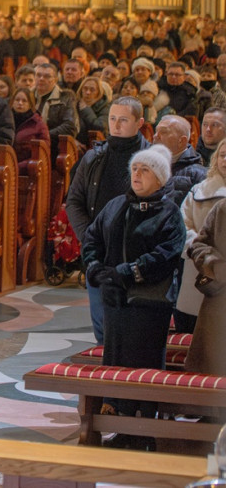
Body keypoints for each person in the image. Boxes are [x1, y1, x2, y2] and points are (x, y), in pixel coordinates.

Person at [82, 144, 185, 451]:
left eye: (145, 170)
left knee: (144, 364)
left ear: (161, 179)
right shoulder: (115, 206)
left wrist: (128, 272)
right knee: (116, 361)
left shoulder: (169, 212)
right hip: (115, 300)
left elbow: (167, 254)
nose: (137, 175)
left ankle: (144, 429)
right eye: (134, 170)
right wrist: (96, 269)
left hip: (148, 302)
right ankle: (118, 424)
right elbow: (93, 238)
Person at [67, 96, 150, 345]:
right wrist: (89, 237)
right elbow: (74, 201)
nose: (116, 125)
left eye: (123, 120)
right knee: (102, 323)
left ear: (139, 123)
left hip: (136, 249)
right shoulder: (93, 157)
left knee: (135, 322)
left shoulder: (152, 158)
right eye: (112, 119)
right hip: (99, 248)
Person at [175, 141, 226, 335]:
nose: (225, 160)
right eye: (222, 155)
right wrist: (200, 250)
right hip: (200, 269)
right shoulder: (200, 190)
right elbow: (183, 226)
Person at [153, 115, 206, 206]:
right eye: (156, 131)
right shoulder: (144, 166)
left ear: (182, 141)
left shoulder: (200, 174)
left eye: (163, 132)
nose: (155, 136)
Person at [10, 88, 50, 172]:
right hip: (6, 167)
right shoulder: (6, 120)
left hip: (27, 170)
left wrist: (18, 167)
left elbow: (43, 153)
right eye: (17, 100)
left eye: (24, 101)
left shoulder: (38, 124)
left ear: (30, 104)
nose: (20, 103)